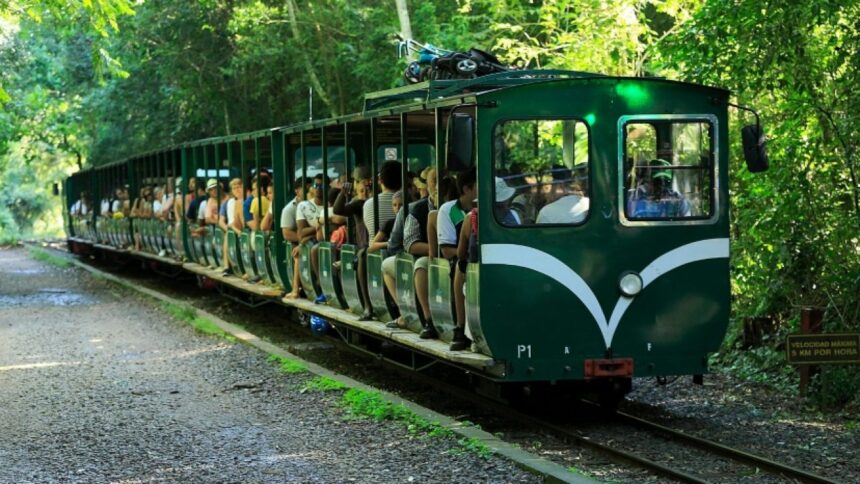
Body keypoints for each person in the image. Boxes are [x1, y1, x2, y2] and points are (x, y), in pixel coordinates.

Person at [450, 177, 519, 351]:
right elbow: (461, 255)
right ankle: (461, 326)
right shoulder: (512, 217)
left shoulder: (471, 218)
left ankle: (460, 328)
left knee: (460, 271)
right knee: (460, 270)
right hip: (488, 274)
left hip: (501, 275)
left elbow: (461, 252)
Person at [436, 167, 476, 349]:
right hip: (464, 260)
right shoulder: (449, 210)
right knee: (461, 267)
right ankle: (460, 327)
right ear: (467, 189)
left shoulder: (492, 209)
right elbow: (446, 250)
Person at [403, 167, 438, 338]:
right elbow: (410, 243)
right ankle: (428, 319)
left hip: (453, 255)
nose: (438, 187)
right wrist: (435, 249)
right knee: (420, 265)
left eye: (443, 182)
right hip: (430, 257)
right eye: (434, 182)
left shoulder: (458, 205)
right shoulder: (418, 209)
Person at [626, 158, 691, 218]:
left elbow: (687, 223)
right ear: (648, 180)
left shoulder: (678, 200)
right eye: (658, 181)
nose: (662, 185)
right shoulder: (634, 198)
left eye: (666, 181)